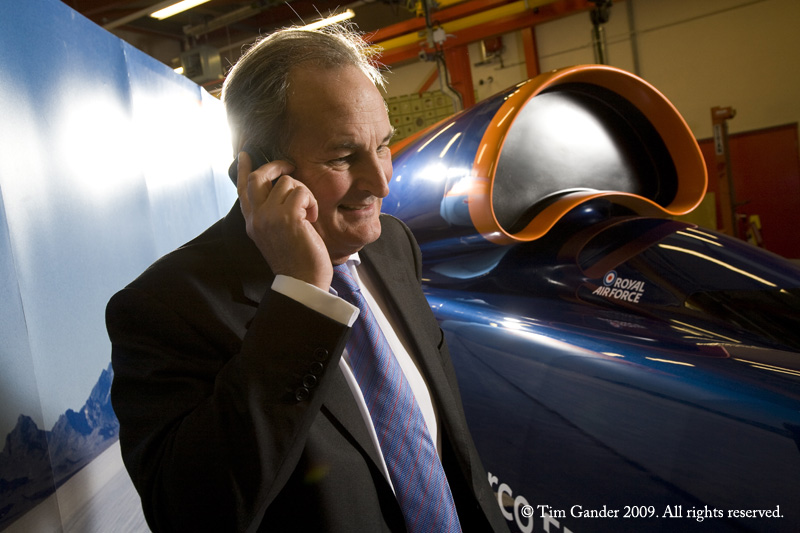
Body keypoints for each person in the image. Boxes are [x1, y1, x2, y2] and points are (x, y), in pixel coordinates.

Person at [107, 24, 508, 533]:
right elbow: (192, 515)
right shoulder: (164, 307)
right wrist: (300, 299)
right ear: (260, 171)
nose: (382, 181)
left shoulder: (392, 245)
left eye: (383, 145)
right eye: (343, 156)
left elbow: (451, 452)